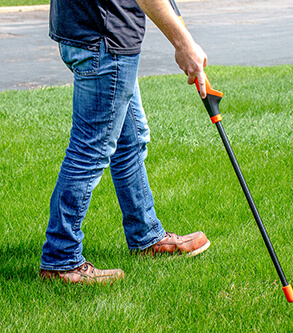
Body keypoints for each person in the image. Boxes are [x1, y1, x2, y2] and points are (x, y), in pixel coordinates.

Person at [40, 0, 211, 284]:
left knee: (129, 142)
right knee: (90, 151)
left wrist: (181, 31)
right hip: (105, 40)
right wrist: (183, 44)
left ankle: (146, 236)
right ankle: (61, 260)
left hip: (90, 32)